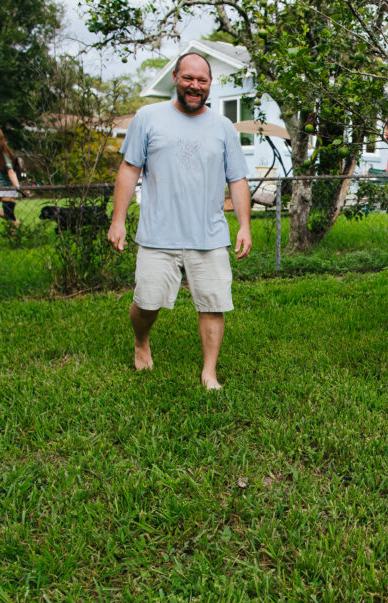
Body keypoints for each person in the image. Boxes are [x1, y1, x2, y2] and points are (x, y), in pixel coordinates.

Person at [107, 52, 252, 390]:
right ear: (175, 77)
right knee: (147, 303)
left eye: (202, 80)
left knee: (213, 305)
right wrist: (118, 221)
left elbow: (238, 179)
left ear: (210, 84)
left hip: (210, 235)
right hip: (159, 234)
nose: (194, 85)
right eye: (188, 78)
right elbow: (129, 169)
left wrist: (244, 225)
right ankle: (141, 341)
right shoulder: (148, 118)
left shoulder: (223, 128)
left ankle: (209, 372)